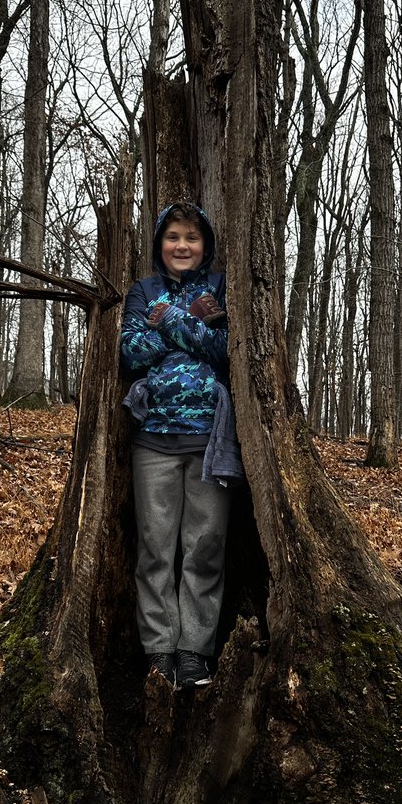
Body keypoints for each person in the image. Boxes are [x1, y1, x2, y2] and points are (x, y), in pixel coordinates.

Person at [120, 202, 241, 688]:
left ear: (205, 245)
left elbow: (226, 348)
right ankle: (159, 652)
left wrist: (166, 321)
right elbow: (131, 352)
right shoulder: (141, 290)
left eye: (191, 237)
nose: (182, 246)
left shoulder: (221, 288)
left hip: (211, 439)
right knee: (154, 549)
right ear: (159, 244)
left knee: (205, 547)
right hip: (153, 439)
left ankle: (194, 651)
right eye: (173, 236)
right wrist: (191, 324)